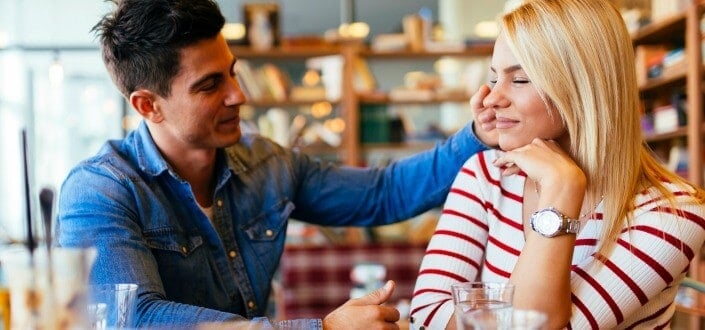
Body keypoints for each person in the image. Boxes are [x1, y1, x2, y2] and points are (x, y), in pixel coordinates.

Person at [55, 0, 497, 329]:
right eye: (211, 85)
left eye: (232, 72)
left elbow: (384, 193)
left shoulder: (266, 163)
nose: (238, 94)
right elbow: (136, 319)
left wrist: (477, 135)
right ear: (148, 105)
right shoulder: (100, 190)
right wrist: (320, 329)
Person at [409, 0, 705, 329]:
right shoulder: (485, 176)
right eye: (494, 79)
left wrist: (561, 190)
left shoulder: (673, 214)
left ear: (584, 89)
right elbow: (425, 318)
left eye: (519, 80)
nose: (492, 98)